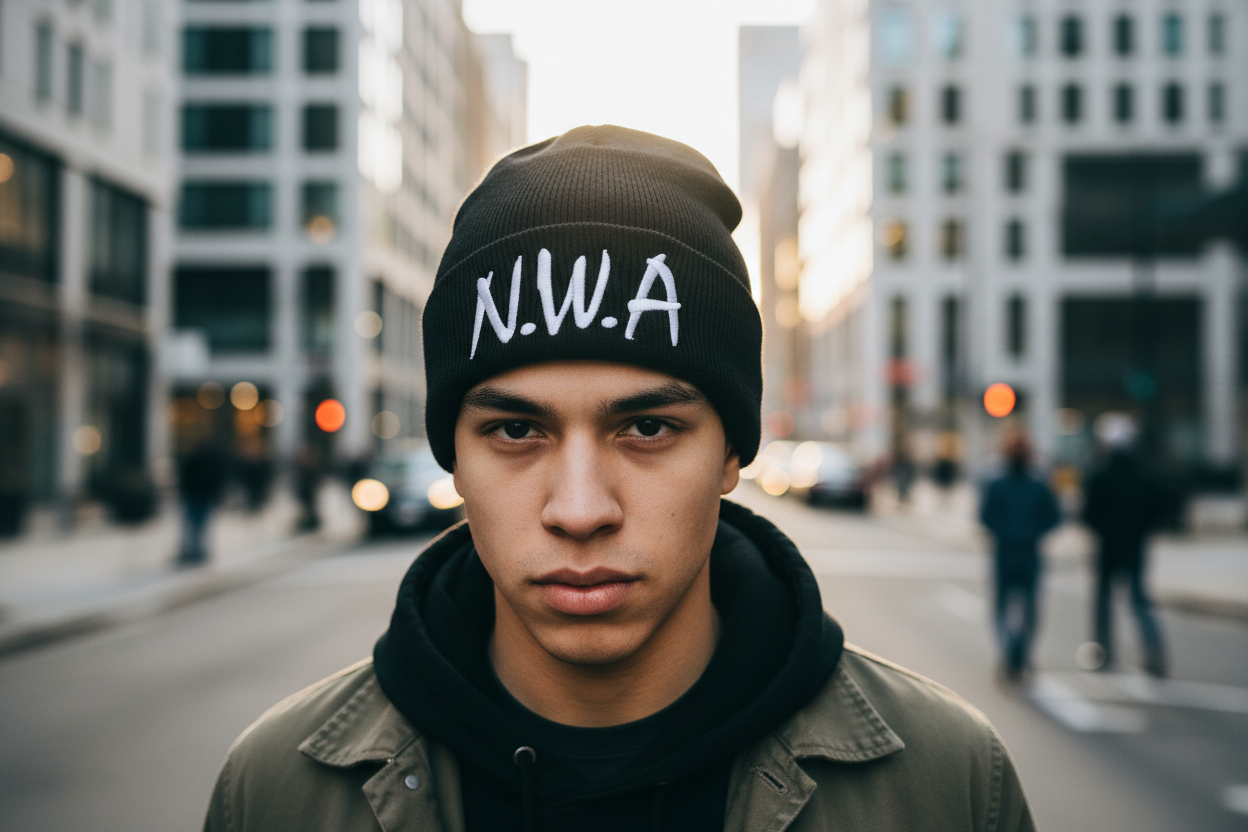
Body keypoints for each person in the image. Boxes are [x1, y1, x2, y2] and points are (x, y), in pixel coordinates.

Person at [203, 126, 1035, 831]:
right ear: (453, 455)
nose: (579, 510)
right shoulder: (280, 792)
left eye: (646, 428)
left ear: (731, 455)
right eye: (516, 430)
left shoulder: (948, 785)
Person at [1082, 413, 1167, 677]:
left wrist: (1103, 530)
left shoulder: (1100, 473)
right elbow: (1155, 511)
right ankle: (1153, 650)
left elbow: (1089, 513)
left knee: (1103, 602)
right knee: (1139, 599)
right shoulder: (1142, 473)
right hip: (1134, 545)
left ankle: (1103, 652)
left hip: (1108, 546)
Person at [979, 432, 1061, 682]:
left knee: (1004, 608)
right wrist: (1033, 532)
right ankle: (1019, 653)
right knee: (1029, 609)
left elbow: (985, 516)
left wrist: (1005, 531)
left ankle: (1011, 651)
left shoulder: (999, 484)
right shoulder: (1037, 485)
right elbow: (1054, 517)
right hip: (1028, 552)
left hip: (1007, 551)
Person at [176, 440, 227, 566]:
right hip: (198, 497)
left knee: (194, 526)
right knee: (197, 526)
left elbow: (185, 479)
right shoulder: (207, 462)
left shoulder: (195, 461)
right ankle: (195, 550)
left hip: (197, 497)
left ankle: (194, 550)